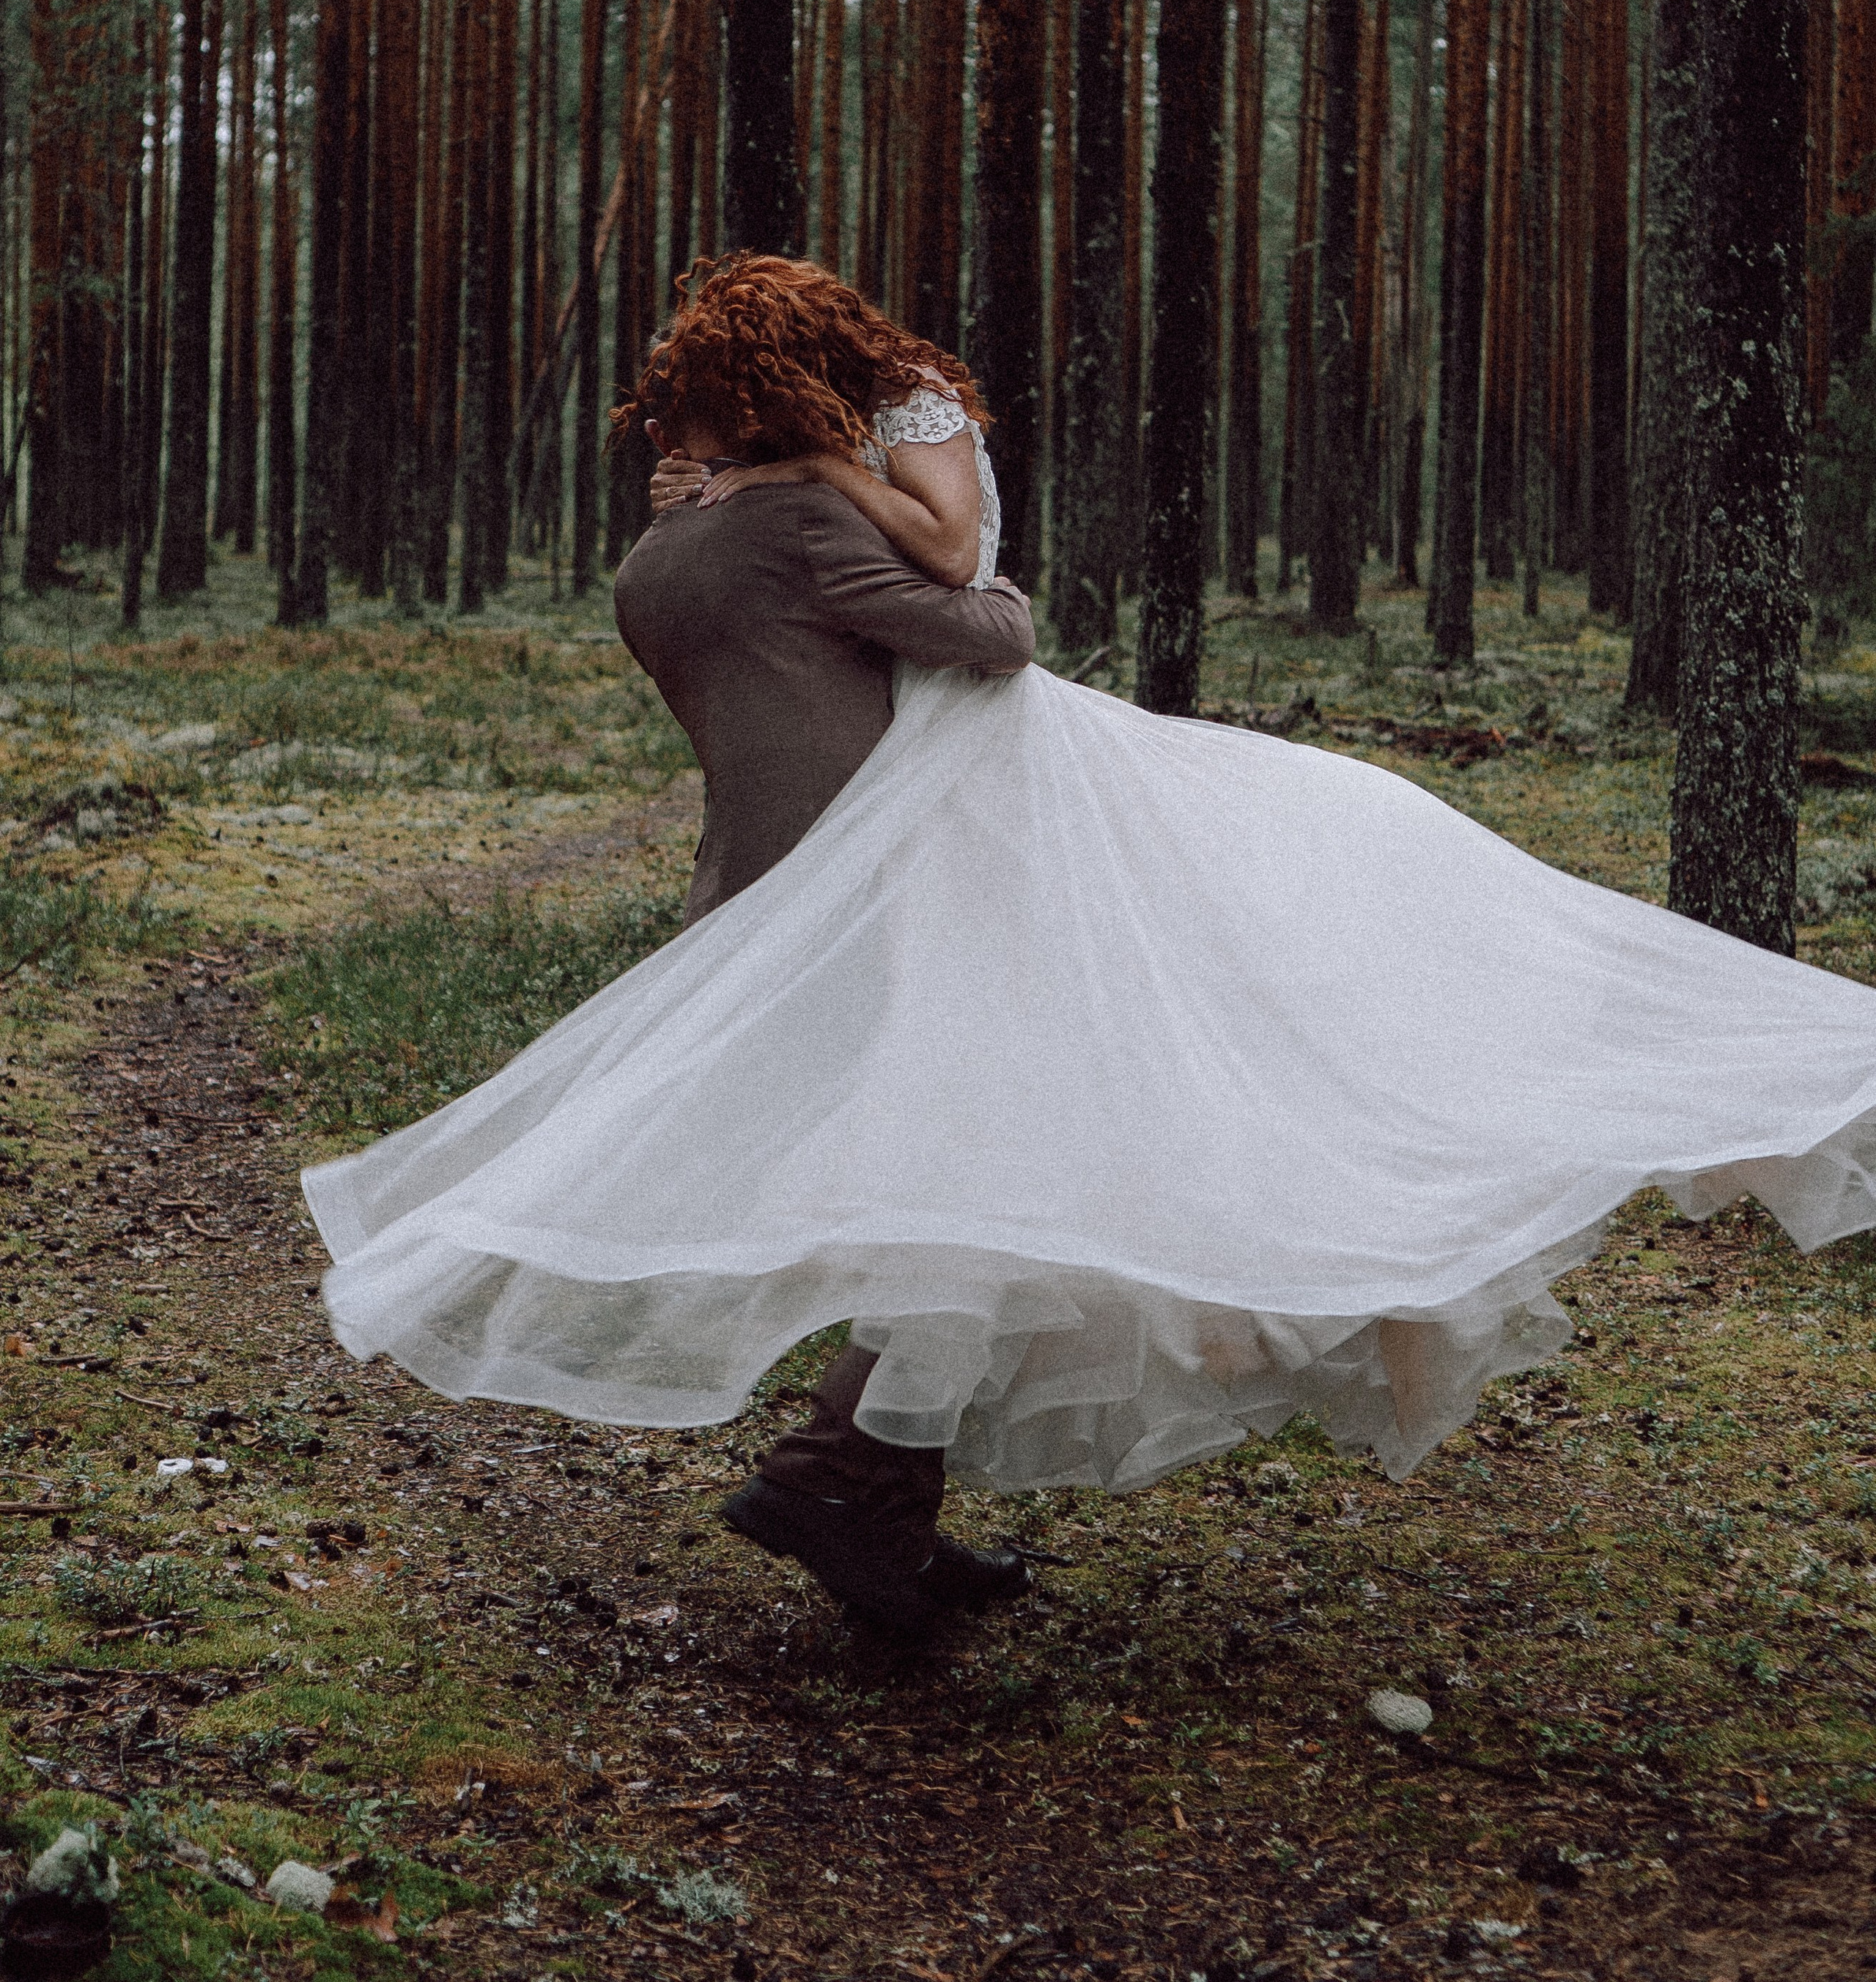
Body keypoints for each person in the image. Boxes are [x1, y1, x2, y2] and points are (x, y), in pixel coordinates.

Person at [305, 253, 1876, 1659]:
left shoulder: (662, 561)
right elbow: (990, 635)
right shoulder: (787, 524)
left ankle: (863, 1490)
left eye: (688, 415)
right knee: (1046, 1125)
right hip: (919, 878)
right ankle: (838, 1475)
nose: (670, 440)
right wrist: (884, 520)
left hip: (799, 882)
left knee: (980, 1165)